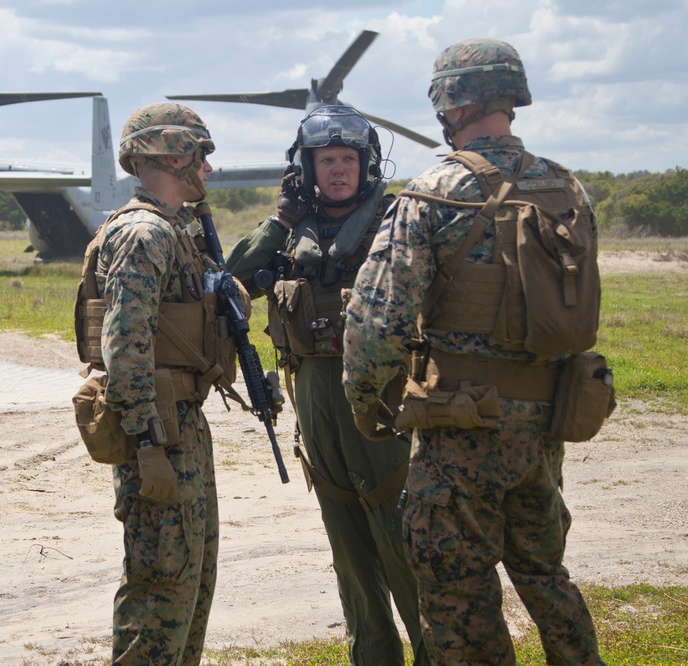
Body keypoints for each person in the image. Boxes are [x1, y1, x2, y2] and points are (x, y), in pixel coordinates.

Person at [341, 38, 605, 665]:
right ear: (512, 97)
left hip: (461, 428)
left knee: (459, 594)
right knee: (546, 572)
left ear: (448, 103)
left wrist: (365, 403)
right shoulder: (567, 188)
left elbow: (376, 324)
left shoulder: (433, 192)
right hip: (545, 424)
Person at [225, 105, 428, 666]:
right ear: (306, 168)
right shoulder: (292, 235)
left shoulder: (396, 220)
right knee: (345, 533)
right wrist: (279, 221)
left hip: (381, 393)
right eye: (324, 160)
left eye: (346, 159)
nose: (337, 170)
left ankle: (435, 651)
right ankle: (373, 653)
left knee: (398, 531)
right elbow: (231, 281)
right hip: (312, 393)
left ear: (365, 164)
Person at [74, 102, 241, 665]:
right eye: (202, 154)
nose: (209, 169)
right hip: (159, 434)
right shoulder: (145, 234)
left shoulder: (178, 230)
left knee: (192, 583)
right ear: (174, 154)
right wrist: (148, 446)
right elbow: (126, 344)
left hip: (180, 426)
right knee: (160, 589)